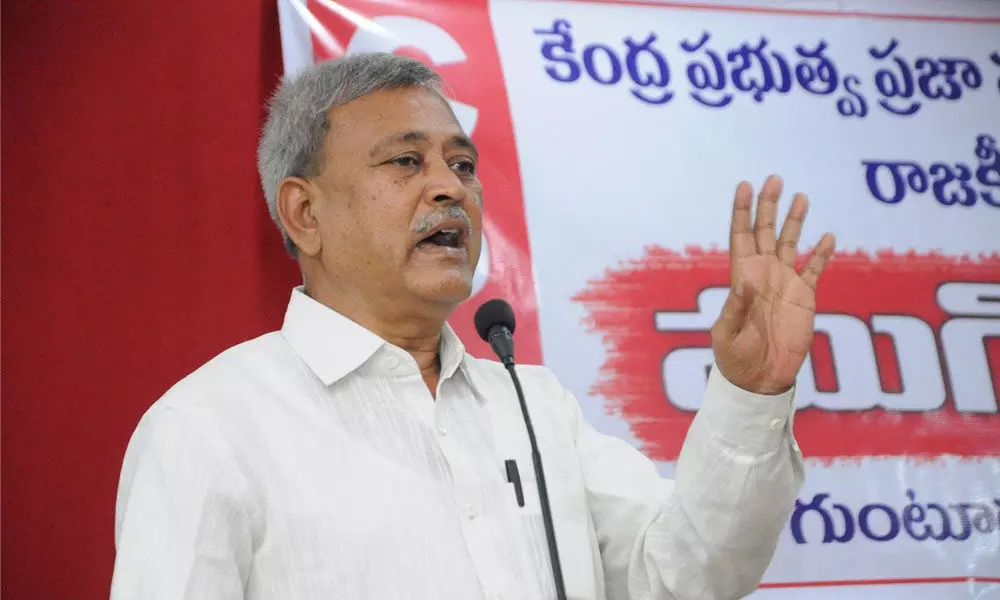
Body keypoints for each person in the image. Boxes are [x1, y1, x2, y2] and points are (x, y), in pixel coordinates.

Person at [110, 53, 835, 600]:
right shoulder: (211, 426)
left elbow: (687, 574)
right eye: (406, 161)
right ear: (305, 214)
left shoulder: (534, 403)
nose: (450, 187)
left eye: (462, 164)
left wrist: (750, 393)